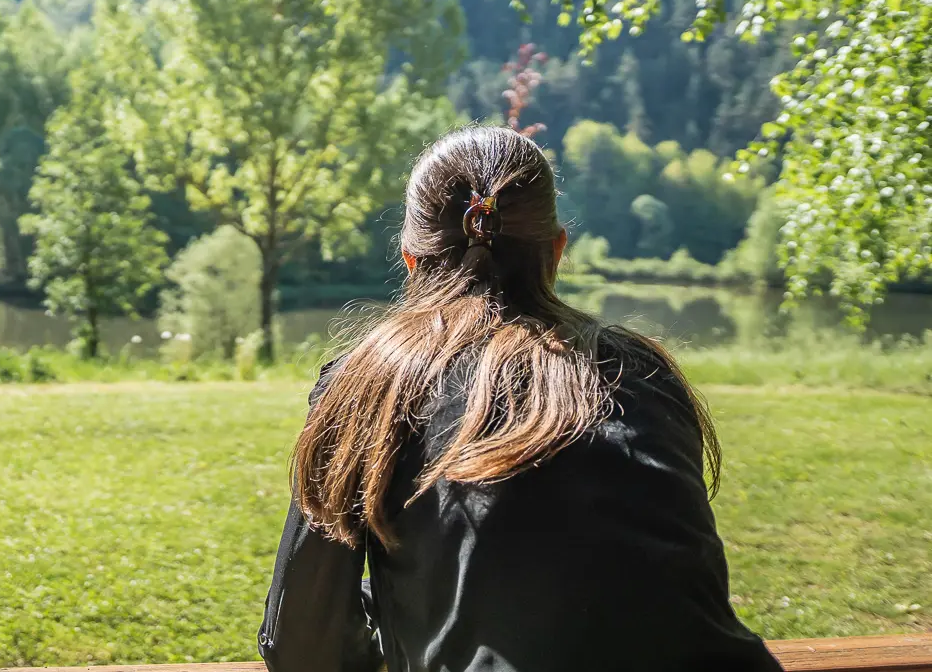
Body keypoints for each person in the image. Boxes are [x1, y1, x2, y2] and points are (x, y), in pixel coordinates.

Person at [259, 126, 782, 672]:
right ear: (556, 250)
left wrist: (394, 624)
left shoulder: (372, 384)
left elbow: (303, 646)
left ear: (411, 258)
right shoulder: (643, 372)